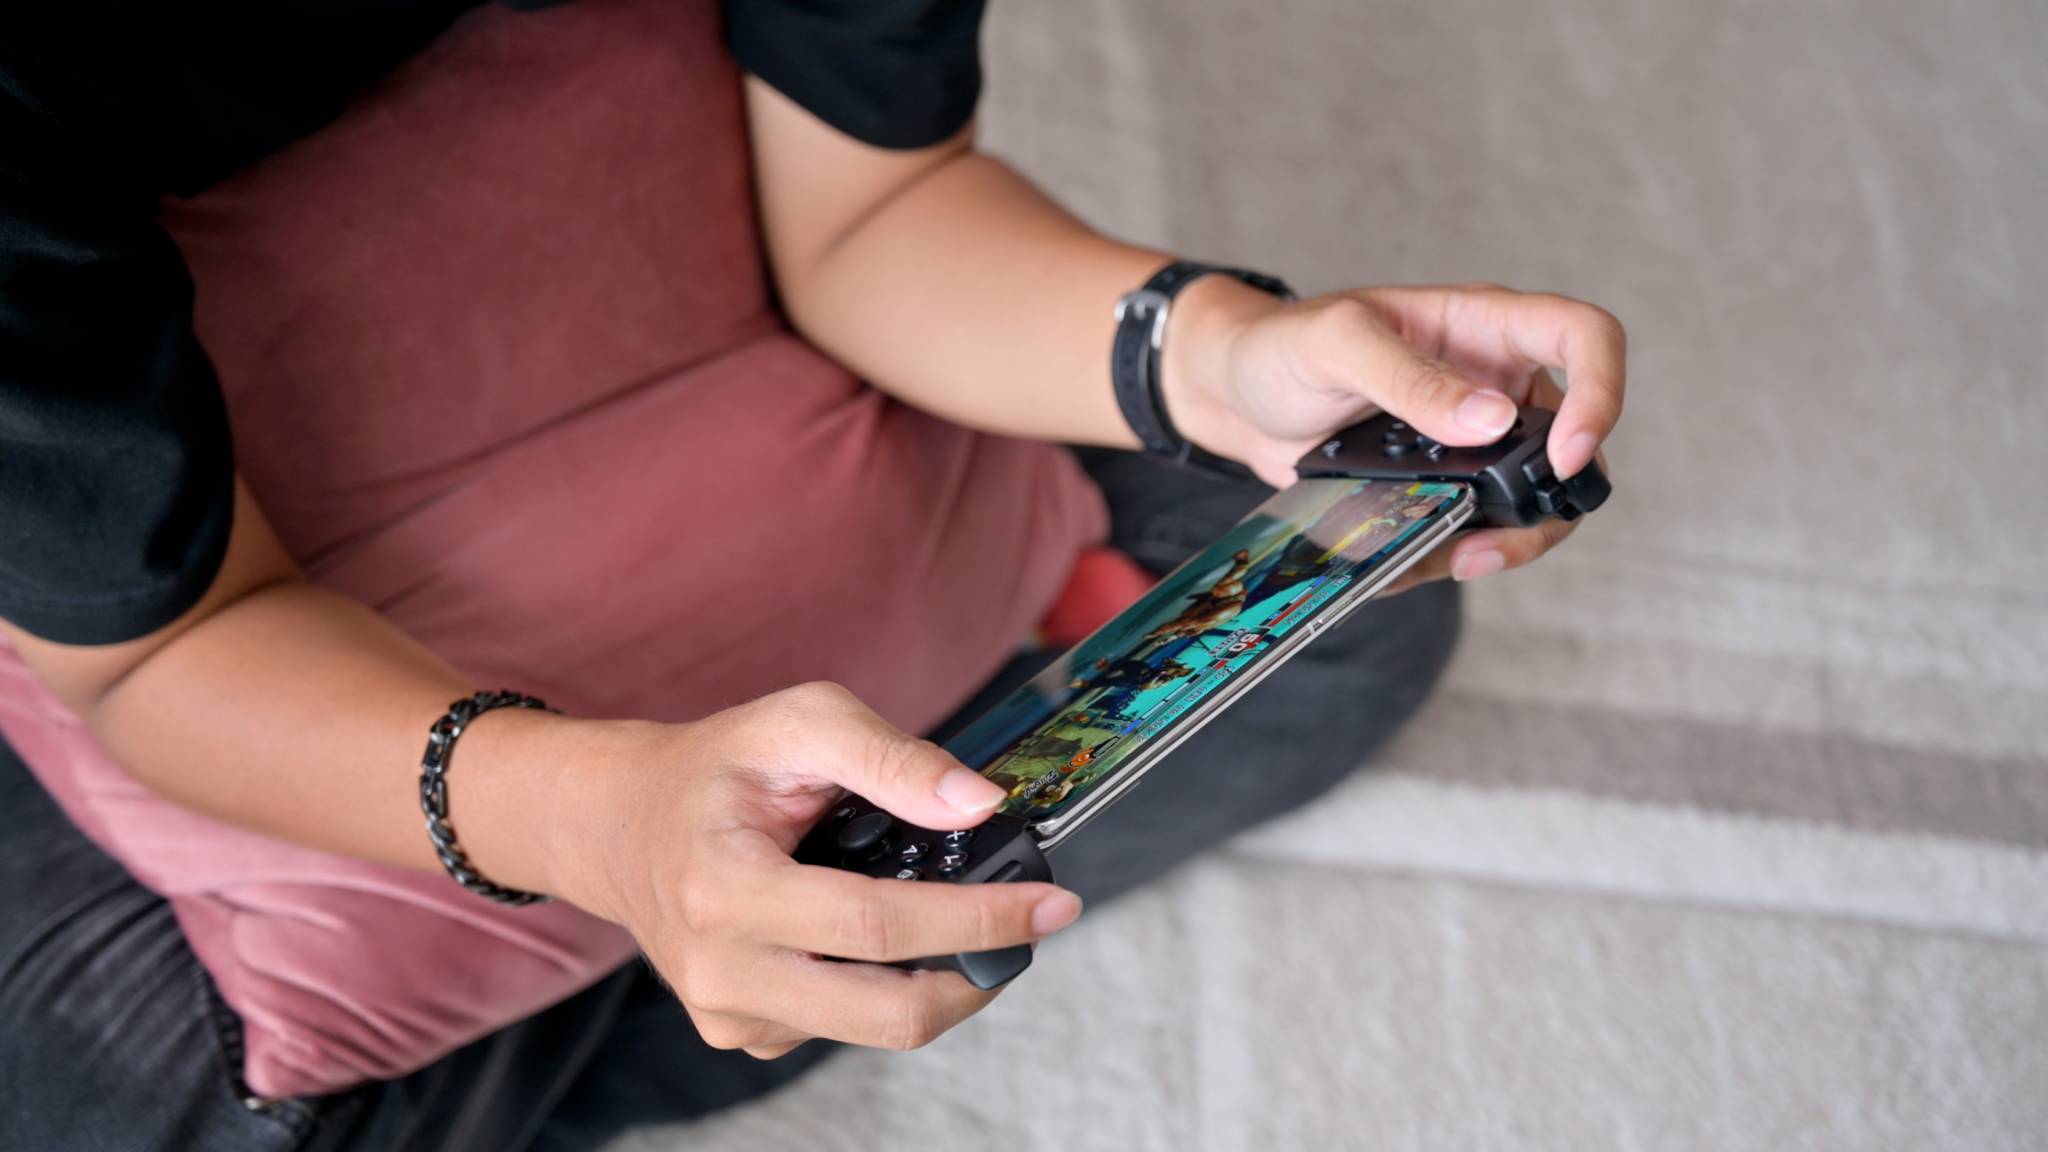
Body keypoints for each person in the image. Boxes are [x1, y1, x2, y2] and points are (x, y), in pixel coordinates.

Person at [0, 1, 1625, 1148]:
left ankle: (675, 964)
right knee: (167, 1100)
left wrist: (1214, 354)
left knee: (1353, 622)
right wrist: (598, 827)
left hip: (695, 309)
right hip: (167, 560)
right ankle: (688, 950)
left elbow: (874, 207)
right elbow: (161, 654)